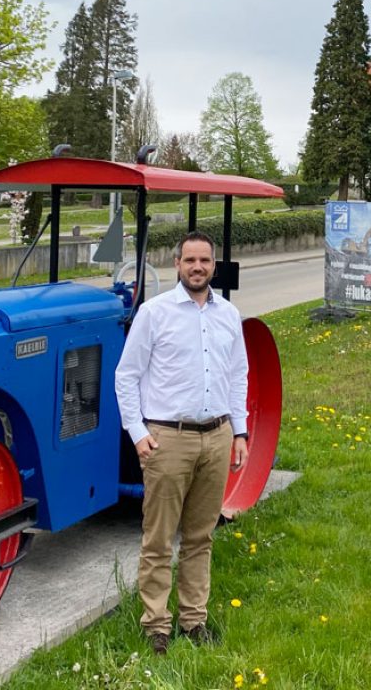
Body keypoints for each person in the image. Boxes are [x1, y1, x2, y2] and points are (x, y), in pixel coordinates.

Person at [114, 231, 249, 654]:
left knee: (200, 536)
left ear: (213, 265)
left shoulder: (228, 314)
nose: (197, 267)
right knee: (158, 538)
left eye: (204, 261)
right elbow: (126, 376)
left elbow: (238, 375)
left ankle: (194, 621)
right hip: (167, 439)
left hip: (217, 436)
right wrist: (137, 433)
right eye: (189, 260)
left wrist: (240, 432)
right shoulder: (154, 314)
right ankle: (156, 624)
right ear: (177, 264)